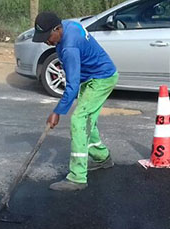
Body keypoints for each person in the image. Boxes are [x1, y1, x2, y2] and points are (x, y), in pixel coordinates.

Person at [33, 11, 119, 192]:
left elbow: (72, 86)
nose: (46, 41)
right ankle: (102, 158)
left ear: (57, 28)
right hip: (93, 77)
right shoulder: (68, 26)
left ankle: (77, 177)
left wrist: (57, 112)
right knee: (87, 120)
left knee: (78, 119)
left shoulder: (69, 47)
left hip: (101, 78)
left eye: (48, 36)